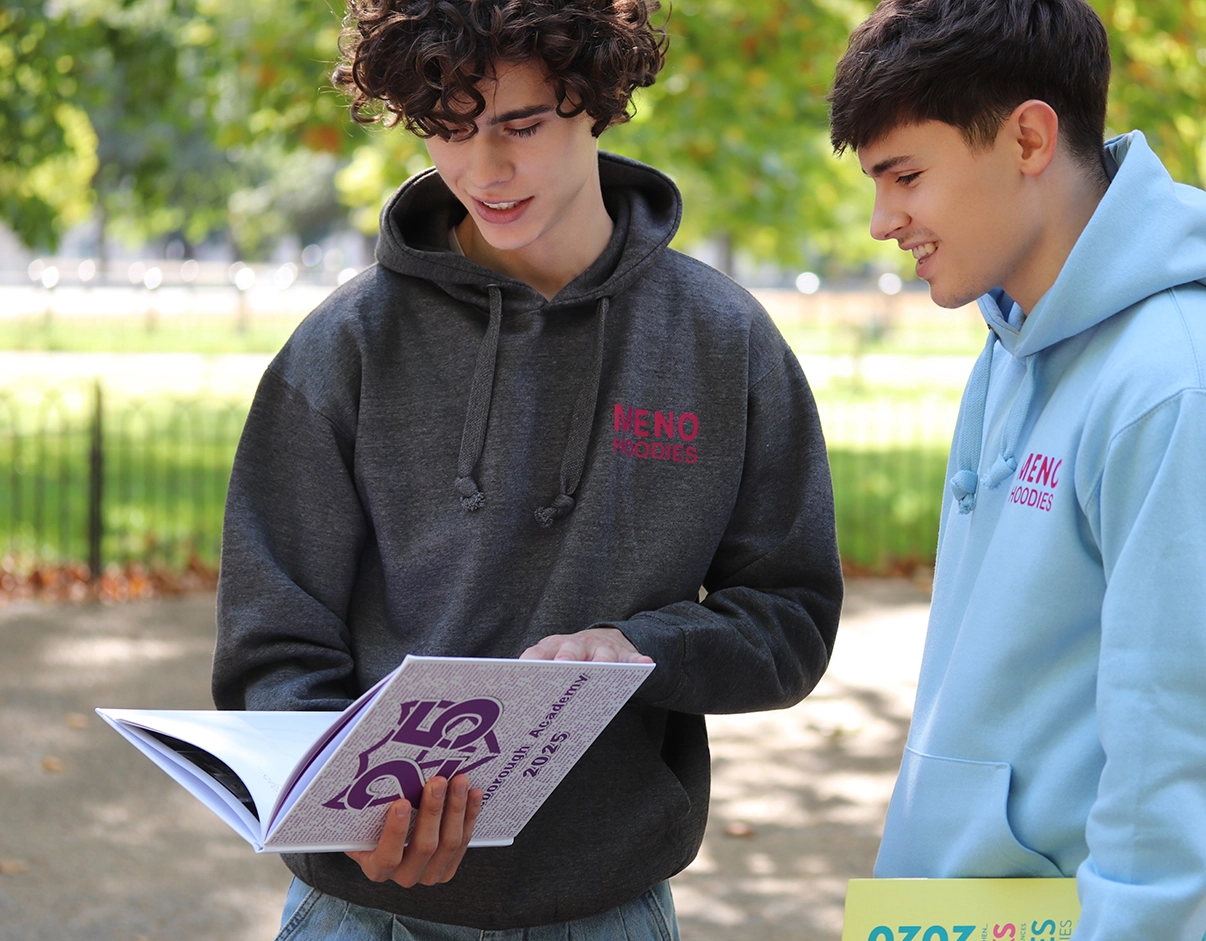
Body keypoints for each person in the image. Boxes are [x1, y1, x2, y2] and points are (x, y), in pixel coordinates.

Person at [211, 1, 843, 938]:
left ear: (597, 101)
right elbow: (275, 646)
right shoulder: (343, 348)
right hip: (361, 908)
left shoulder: (723, 341)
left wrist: (643, 651)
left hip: (604, 905)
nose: (483, 171)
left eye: (521, 125)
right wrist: (348, 822)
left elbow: (789, 619)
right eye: (449, 131)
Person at [827, 1, 1206, 939]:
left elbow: (1175, 786)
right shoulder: (1013, 349)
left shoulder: (1186, 387)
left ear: (1027, 137)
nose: (885, 220)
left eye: (905, 175)